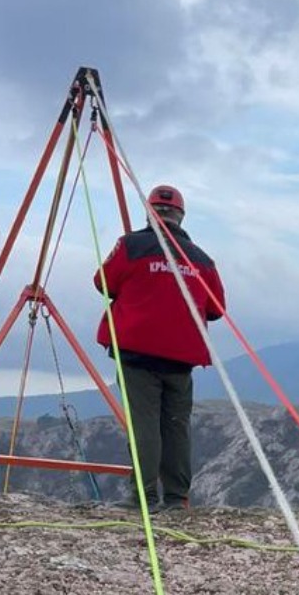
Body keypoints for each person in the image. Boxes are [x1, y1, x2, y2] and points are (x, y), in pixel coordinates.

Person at [94, 184, 225, 510]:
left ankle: (145, 497)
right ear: (181, 216)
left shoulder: (132, 246)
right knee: (177, 426)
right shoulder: (201, 259)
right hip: (181, 358)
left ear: (150, 213)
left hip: (136, 353)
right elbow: (216, 309)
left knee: (145, 425)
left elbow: (103, 282)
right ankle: (178, 498)